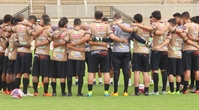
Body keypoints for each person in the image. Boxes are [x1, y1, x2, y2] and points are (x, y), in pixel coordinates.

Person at [70, 10, 128, 97]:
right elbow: (112, 37)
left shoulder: (90, 26)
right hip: (104, 51)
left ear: (94, 17)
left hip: (93, 51)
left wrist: (75, 43)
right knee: (106, 72)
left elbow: (86, 38)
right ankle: (106, 92)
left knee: (91, 72)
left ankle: (90, 92)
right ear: (102, 17)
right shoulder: (106, 26)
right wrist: (122, 40)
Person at [132, 11, 169, 95]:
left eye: (151, 18)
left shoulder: (155, 25)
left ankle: (155, 90)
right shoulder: (166, 25)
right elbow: (168, 38)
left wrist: (137, 24)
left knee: (153, 70)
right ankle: (163, 90)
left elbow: (153, 30)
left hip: (156, 50)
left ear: (154, 18)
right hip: (165, 50)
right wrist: (166, 25)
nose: (151, 20)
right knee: (163, 70)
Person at [116, 13, 151, 96]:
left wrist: (118, 23)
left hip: (137, 51)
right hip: (146, 51)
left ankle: (136, 91)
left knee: (136, 72)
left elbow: (128, 30)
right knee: (145, 72)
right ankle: (146, 91)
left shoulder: (136, 27)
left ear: (135, 20)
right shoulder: (147, 28)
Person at [108, 13, 130, 96]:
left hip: (116, 50)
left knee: (116, 71)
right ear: (122, 18)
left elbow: (111, 38)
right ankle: (125, 91)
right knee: (126, 70)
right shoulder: (127, 25)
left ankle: (115, 91)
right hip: (126, 50)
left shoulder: (114, 26)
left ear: (114, 18)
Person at [31, 18, 54, 96]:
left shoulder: (37, 28)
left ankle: (35, 92)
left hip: (37, 54)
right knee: (46, 75)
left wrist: (37, 43)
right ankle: (45, 92)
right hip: (45, 55)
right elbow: (53, 37)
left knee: (35, 74)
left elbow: (30, 26)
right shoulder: (49, 30)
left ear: (43, 23)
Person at [64, 18, 86, 96]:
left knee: (69, 74)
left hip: (71, 56)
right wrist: (79, 49)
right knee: (80, 75)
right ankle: (79, 92)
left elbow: (66, 44)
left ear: (73, 24)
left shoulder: (69, 32)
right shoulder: (84, 32)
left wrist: (74, 47)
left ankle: (69, 92)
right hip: (81, 56)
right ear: (80, 24)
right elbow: (88, 41)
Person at [180, 12, 199, 94]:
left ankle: (185, 89)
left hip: (187, 49)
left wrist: (182, 34)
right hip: (196, 50)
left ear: (184, 18)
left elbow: (184, 35)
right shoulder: (197, 26)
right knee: (196, 70)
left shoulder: (187, 25)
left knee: (187, 70)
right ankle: (198, 89)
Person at [50, 18, 68, 96]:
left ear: (58, 25)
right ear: (65, 25)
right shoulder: (66, 32)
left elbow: (55, 38)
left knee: (53, 75)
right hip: (63, 57)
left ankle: (54, 91)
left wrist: (56, 44)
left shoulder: (55, 32)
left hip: (54, 56)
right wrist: (62, 30)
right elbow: (64, 42)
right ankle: (62, 92)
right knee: (62, 75)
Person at [1, 14, 12, 94]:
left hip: (3, 52)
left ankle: (4, 88)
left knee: (4, 71)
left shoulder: (2, 27)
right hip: (6, 51)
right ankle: (7, 88)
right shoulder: (7, 28)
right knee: (7, 71)